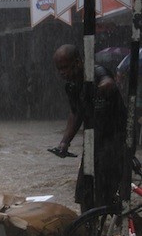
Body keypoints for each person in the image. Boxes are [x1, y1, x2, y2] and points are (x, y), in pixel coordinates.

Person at [51, 44, 126, 213]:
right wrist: (64, 142)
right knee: (84, 188)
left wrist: (96, 90)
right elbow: (75, 114)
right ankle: (88, 224)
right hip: (93, 139)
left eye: (65, 68)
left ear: (77, 62)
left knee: (104, 187)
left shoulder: (96, 72)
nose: (62, 73)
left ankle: (109, 215)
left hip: (116, 136)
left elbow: (109, 83)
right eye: (59, 69)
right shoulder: (71, 86)